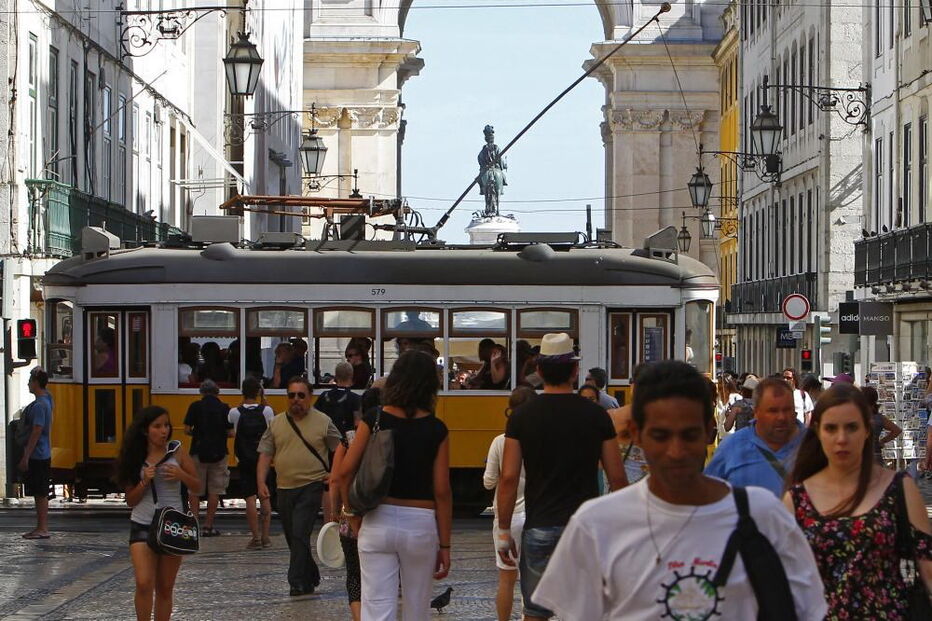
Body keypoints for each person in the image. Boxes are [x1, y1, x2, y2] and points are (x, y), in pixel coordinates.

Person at [531, 360, 828, 620]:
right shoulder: (596, 526)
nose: (676, 451)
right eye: (660, 436)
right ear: (636, 434)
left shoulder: (764, 515)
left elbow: (806, 609)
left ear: (709, 431)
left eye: (689, 435)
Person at [496, 332, 627, 620]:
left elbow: (508, 478)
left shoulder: (521, 417)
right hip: (584, 530)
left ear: (539, 370)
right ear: (575, 370)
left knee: (535, 612)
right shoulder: (597, 417)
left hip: (540, 525)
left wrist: (504, 531)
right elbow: (617, 478)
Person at [784, 384, 932, 619]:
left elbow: (928, 570)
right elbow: (785, 582)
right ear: (818, 431)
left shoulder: (900, 489)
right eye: (831, 428)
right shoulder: (797, 499)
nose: (841, 439)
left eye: (851, 427)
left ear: (866, 430)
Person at [335, 350, 452, 621]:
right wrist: (444, 545)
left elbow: (343, 473)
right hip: (420, 525)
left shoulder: (374, 418)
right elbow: (442, 491)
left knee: (376, 610)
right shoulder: (437, 429)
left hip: (377, 521)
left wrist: (352, 515)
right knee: (417, 609)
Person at [257, 377, 342, 597]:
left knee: (299, 533)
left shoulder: (323, 421)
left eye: (301, 395)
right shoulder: (276, 423)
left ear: (310, 397)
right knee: (293, 537)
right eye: (291, 395)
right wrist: (260, 481)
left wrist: (335, 473)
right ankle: (311, 574)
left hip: (311, 485)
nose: (296, 400)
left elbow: (341, 449)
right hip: (284, 487)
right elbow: (266, 453)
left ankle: (296, 583)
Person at [115, 406, 200, 621]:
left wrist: (181, 474)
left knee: (164, 587)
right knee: (144, 582)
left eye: (166, 425)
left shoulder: (177, 453)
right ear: (145, 430)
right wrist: (144, 481)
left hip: (173, 525)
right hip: (143, 523)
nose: (164, 431)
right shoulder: (134, 458)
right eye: (157, 426)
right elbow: (130, 501)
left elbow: (198, 487)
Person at [327, 388, 381, 621]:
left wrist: (334, 512)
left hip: (351, 517)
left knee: (354, 574)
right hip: (380, 517)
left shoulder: (348, 439)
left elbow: (336, 479)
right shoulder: (387, 437)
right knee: (379, 576)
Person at [484, 386, 536, 621]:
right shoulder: (541, 440)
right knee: (531, 582)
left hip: (507, 517)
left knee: (506, 580)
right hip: (536, 516)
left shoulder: (499, 442)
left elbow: (489, 482)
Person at [705, 377, 804, 496]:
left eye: (787, 410)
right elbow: (708, 496)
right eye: (773, 411)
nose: (781, 417)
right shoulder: (732, 447)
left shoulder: (814, 444)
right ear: (756, 412)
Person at [229, 376, 275, 549]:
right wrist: (265, 401)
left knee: (250, 497)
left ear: (242, 392)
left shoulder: (235, 412)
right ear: (258, 392)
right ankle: (266, 537)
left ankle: (255, 537)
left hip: (244, 458)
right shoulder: (267, 411)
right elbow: (272, 430)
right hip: (262, 457)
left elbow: (232, 432)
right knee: (264, 495)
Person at [183, 379, 233, 537]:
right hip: (219, 453)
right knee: (214, 491)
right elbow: (231, 433)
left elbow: (186, 429)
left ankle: (194, 526)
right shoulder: (224, 408)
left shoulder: (195, 406)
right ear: (217, 391)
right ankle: (208, 526)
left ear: (202, 392)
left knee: (194, 490)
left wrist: (197, 434)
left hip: (198, 452)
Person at [18, 369, 54, 539]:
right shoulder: (47, 399)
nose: (27, 384)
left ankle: (42, 528)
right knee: (40, 492)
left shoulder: (40, 405)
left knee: (40, 493)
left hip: (38, 454)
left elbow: (36, 431)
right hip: (43, 452)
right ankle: (40, 527)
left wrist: (26, 456)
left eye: (30, 380)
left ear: (35, 383)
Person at [315, 362, 362, 437]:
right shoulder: (355, 398)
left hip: (326, 437)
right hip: (345, 440)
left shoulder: (324, 395)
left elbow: (315, 417)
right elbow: (357, 423)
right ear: (352, 376)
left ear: (336, 376)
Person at [860, 386, 902, 464]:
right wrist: (882, 441)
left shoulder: (857, 417)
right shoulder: (879, 418)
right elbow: (897, 430)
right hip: (876, 453)